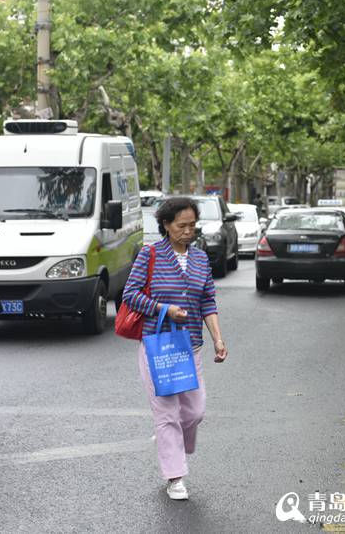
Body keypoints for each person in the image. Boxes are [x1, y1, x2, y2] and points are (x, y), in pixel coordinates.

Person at [122, 196, 228, 500]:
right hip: (157, 346)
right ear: (166, 225)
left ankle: (172, 440)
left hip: (190, 345)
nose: (188, 231)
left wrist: (218, 339)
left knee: (195, 411)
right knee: (166, 414)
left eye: (192, 225)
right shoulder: (150, 255)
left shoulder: (200, 259)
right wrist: (163, 309)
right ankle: (175, 476)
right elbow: (129, 294)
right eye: (182, 226)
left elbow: (207, 300)